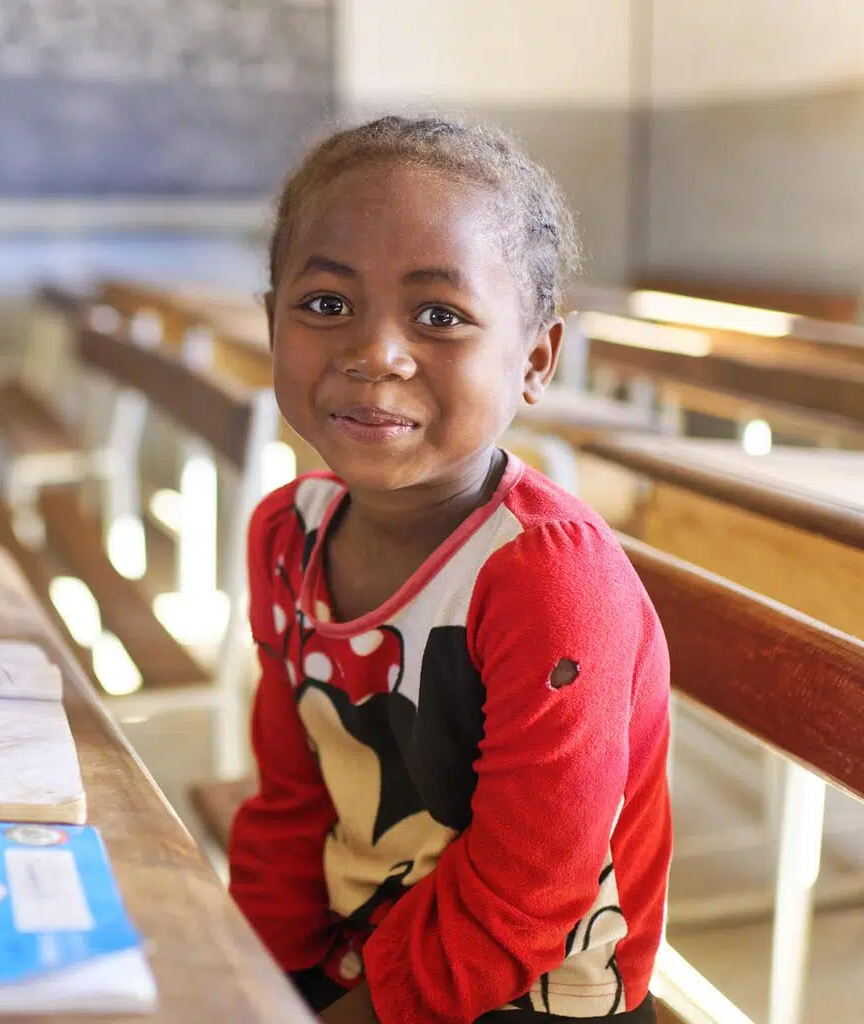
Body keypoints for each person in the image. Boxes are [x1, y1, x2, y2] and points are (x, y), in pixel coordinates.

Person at [226, 115, 672, 1024]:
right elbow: (288, 804)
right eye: (325, 304)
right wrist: (247, 984)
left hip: (529, 990)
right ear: (271, 318)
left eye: (439, 316)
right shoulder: (288, 533)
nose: (374, 352)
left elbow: (528, 894)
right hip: (356, 956)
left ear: (535, 361)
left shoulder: (546, 581)